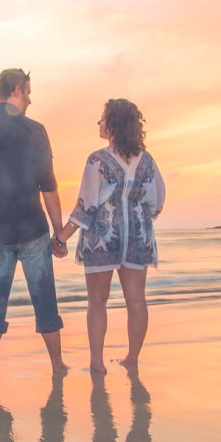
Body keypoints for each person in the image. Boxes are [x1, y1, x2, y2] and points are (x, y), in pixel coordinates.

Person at [0, 68, 69, 378]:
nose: (31, 99)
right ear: (17, 91)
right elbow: (49, 188)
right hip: (33, 231)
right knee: (45, 301)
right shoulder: (36, 131)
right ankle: (58, 366)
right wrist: (59, 234)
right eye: (29, 91)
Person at [53, 98, 166, 373]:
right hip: (138, 237)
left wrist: (61, 238)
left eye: (102, 118)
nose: (98, 122)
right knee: (137, 300)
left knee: (97, 302)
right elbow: (157, 201)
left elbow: (87, 206)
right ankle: (132, 359)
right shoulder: (147, 161)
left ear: (113, 124)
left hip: (103, 238)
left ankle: (97, 364)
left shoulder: (98, 161)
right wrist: (138, 216)